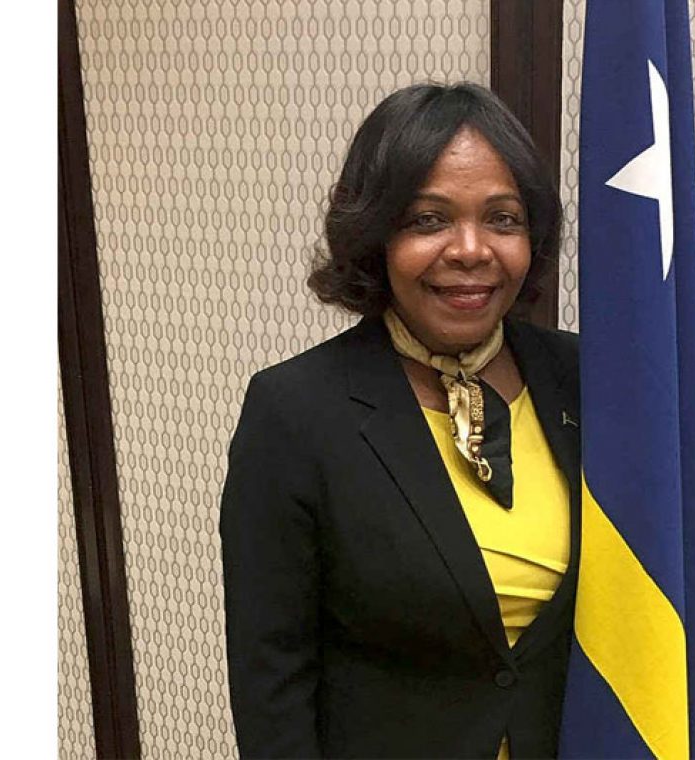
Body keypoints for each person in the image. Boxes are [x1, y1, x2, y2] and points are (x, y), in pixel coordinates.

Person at [220, 82, 580, 759]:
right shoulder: (295, 411)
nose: (471, 249)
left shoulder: (584, 381)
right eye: (428, 220)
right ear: (376, 234)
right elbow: (272, 684)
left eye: (502, 219)